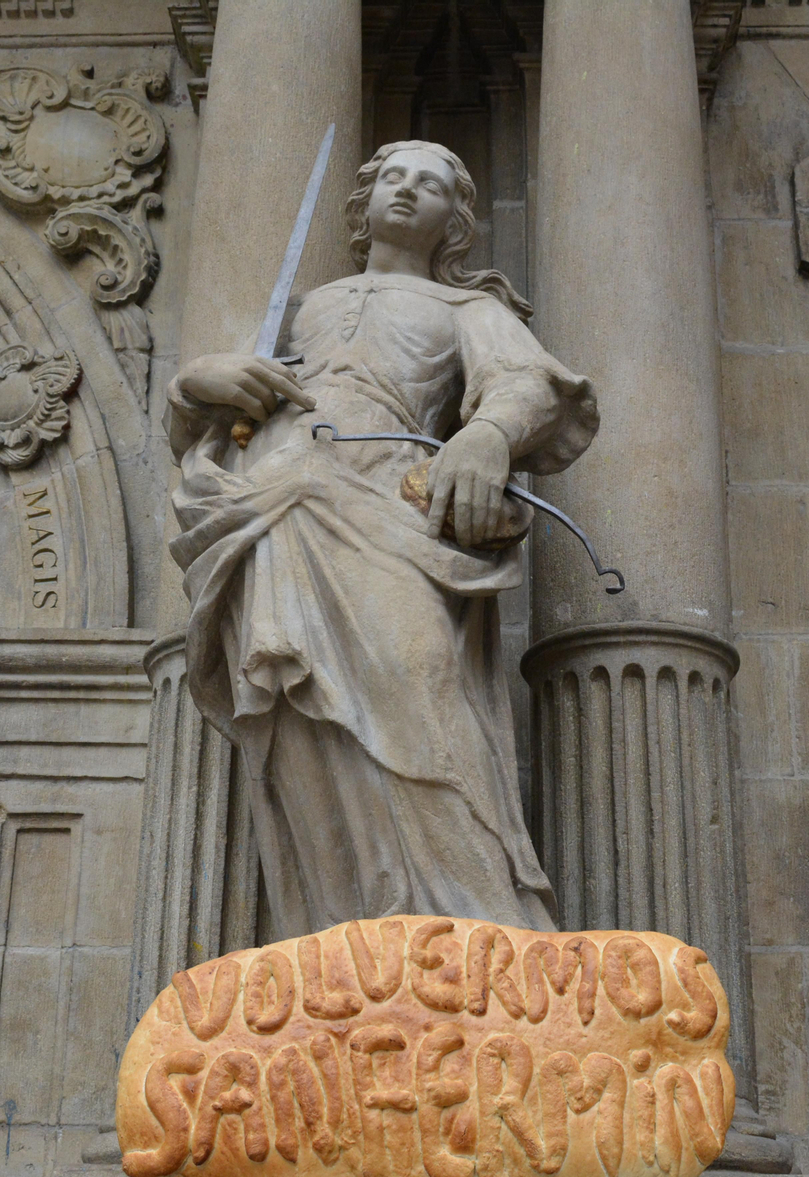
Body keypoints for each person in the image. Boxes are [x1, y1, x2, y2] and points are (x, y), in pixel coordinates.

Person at [167, 139, 599, 939]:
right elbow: (213, 419)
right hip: (276, 503)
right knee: (299, 711)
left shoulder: (469, 310)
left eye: (430, 184)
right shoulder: (308, 306)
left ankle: (478, 928)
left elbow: (531, 384)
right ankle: (342, 925)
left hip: (383, 511)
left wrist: (489, 436)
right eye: (392, 178)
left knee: (419, 683)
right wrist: (197, 383)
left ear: (455, 221)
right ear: (364, 202)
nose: (407, 192)